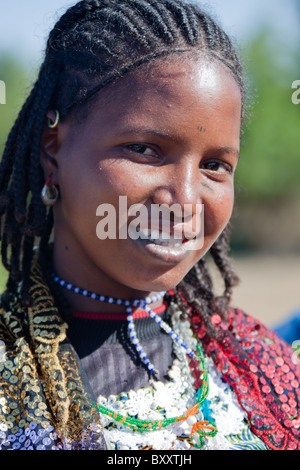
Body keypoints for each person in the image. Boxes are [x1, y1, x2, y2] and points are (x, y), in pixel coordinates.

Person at [0, 0, 299, 452]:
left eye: (215, 165)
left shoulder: (262, 365)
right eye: (144, 149)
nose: (184, 200)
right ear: (52, 150)